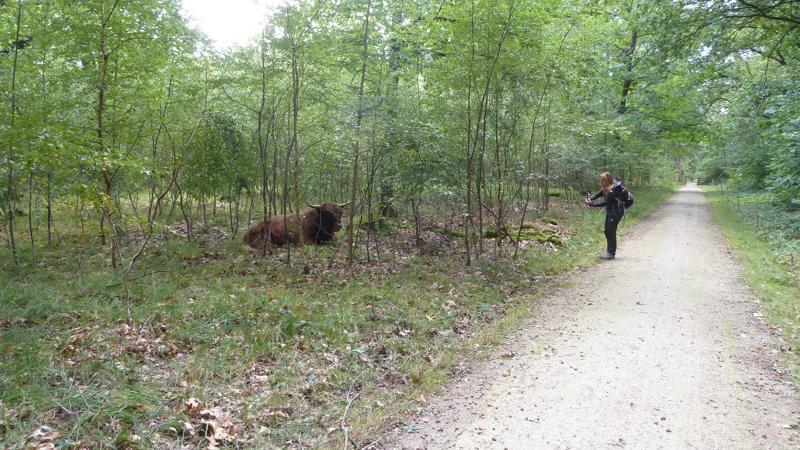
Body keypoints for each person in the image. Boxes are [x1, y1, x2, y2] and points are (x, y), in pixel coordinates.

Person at [585, 172, 626, 260]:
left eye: (602, 180)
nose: (600, 182)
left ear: (607, 181)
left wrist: (592, 204)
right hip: (611, 211)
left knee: (611, 231)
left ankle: (611, 253)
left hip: (616, 212)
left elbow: (605, 203)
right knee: (607, 231)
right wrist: (591, 198)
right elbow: (599, 194)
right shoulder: (606, 188)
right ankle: (609, 251)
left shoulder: (612, 191)